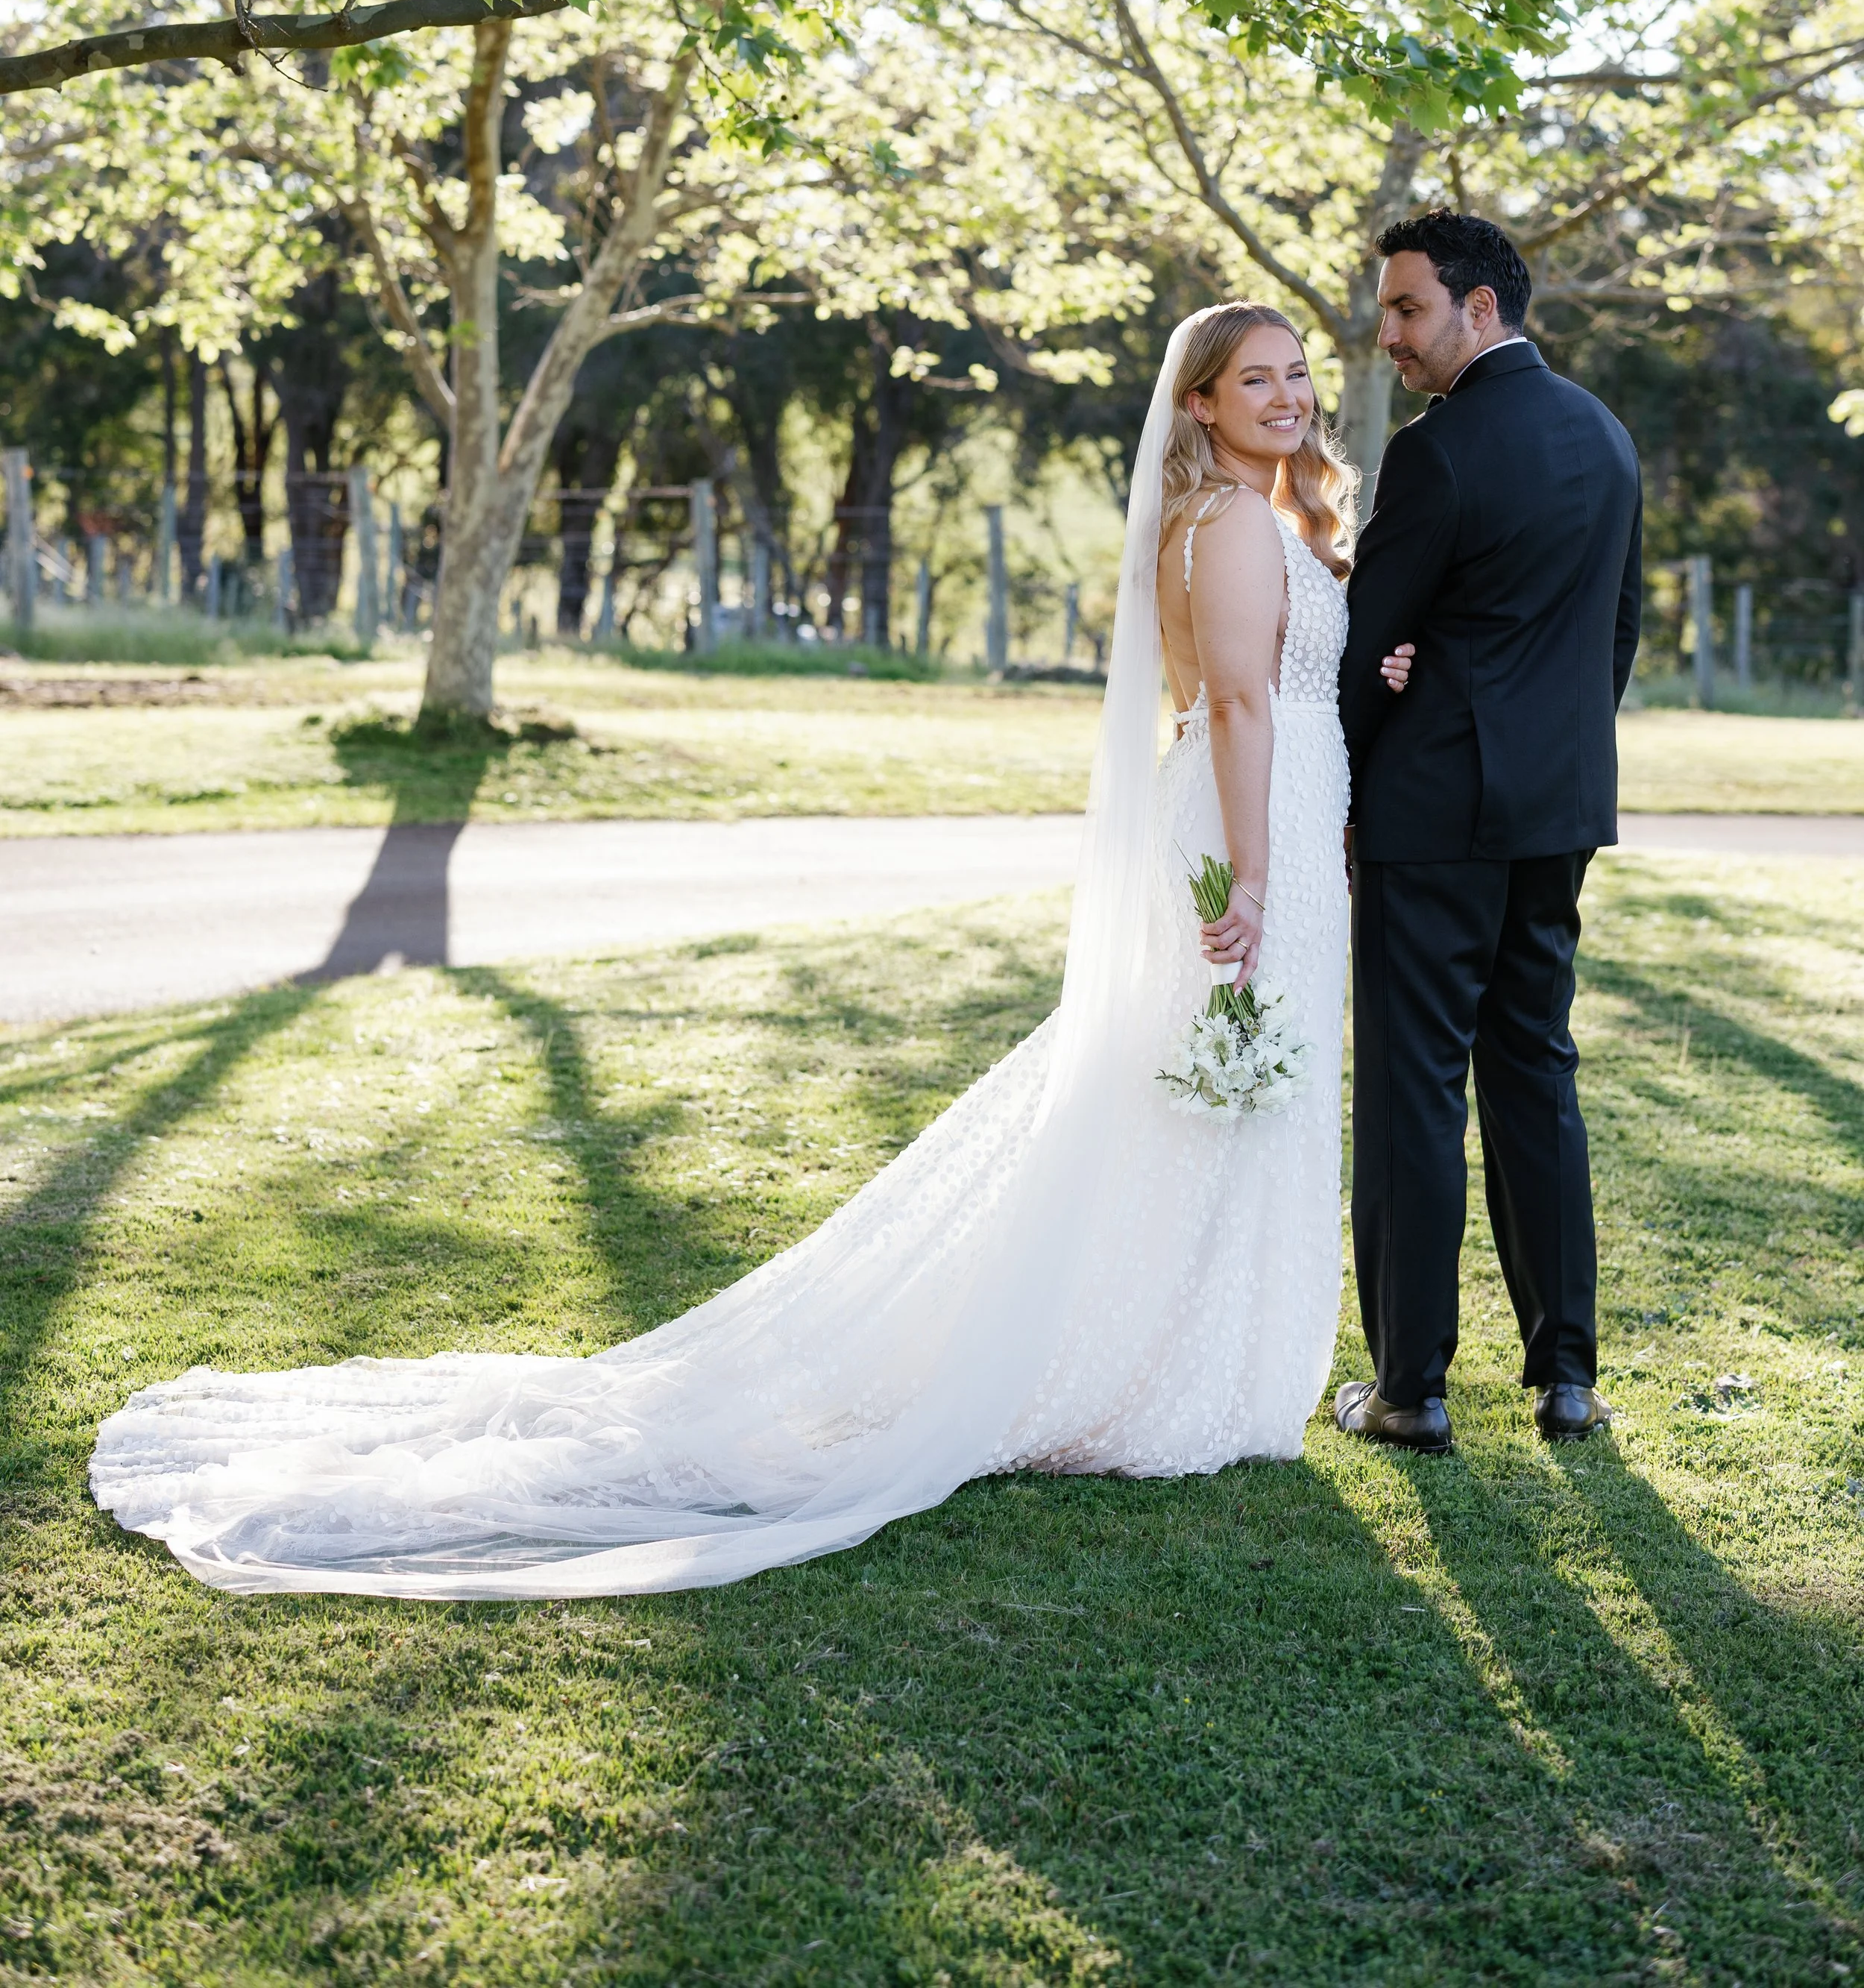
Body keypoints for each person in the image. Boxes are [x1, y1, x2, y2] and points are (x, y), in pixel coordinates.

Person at [90, 304, 1407, 1600]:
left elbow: (1278, 686)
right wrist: (1252, 870)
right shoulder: (1231, 520)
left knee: (1204, 1090)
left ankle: (1191, 1360)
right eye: (1258, 380)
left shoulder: (1266, 519)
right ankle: (1152, 1373)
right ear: (1200, 404)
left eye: (1299, 375)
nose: (1290, 397)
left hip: (1276, 814)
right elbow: (1234, 699)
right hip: (1249, 839)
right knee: (1204, 1087)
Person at [1335, 213, 1643, 1455]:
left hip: (1433, 812)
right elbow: (1612, 636)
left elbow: (1366, 646)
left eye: (1408, 309)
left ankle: (1410, 1388)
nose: (1390, 335)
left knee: (1416, 1088)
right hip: (1554, 812)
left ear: (1479, 307)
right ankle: (1566, 1376)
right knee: (1536, 1073)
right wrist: (1552, 756)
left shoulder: (1438, 450)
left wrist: (1346, 782)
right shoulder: (1606, 436)